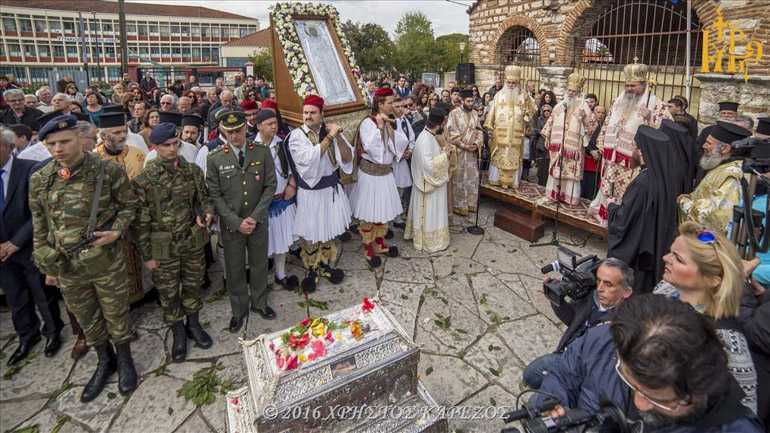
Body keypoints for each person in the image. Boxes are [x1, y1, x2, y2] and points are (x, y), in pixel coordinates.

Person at [534, 294, 763, 432]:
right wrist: (551, 403)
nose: (640, 404)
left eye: (664, 401)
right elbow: (563, 373)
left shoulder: (733, 428)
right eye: (627, 378)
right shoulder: (605, 341)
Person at [29, 114, 139, 402]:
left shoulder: (106, 171)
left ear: (81, 139)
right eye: (51, 144)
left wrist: (115, 232)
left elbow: (129, 207)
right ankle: (105, 360)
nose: (58, 149)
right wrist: (47, 265)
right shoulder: (41, 180)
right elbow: (40, 226)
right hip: (66, 266)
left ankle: (125, 359)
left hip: (105, 260)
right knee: (86, 317)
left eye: (64, 142)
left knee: (116, 312)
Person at [654, 222, 759, 414]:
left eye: (677, 258)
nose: (664, 258)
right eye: (671, 252)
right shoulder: (664, 291)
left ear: (712, 279)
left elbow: (745, 412)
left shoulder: (727, 341)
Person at [132, 122, 214, 362]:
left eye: (175, 144)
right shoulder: (145, 180)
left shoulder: (192, 171)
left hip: (191, 240)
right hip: (163, 246)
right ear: (154, 148)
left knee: (193, 284)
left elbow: (204, 198)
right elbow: (140, 222)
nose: (172, 149)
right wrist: (147, 256)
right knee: (168, 293)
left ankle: (194, 324)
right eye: (166, 145)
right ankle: (178, 331)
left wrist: (206, 212)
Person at [207, 110, 277, 332]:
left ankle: (260, 303)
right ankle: (238, 311)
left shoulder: (262, 153)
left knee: (259, 265)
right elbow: (215, 195)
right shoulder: (215, 158)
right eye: (229, 132)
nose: (235, 136)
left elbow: (270, 186)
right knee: (235, 269)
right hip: (232, 225)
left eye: (238, 131)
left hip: (257, 222)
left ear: (246, 128)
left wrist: (254, 217)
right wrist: (237, 222)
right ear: (222, 132)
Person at [0, 127, 64, 365]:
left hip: (28, 246)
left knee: (41, 292)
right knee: (15, 295)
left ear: (8, 146)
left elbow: (38, 212)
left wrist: (15, 243)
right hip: (2, 254)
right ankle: (27, 335)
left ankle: (52, 331)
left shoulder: (29, 170)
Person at [522, 257, 633, 388]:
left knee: (533, 377)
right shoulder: (593, 297)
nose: (600, 288)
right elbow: (572, 320)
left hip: (582, 372)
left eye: (608, 284)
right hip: (566, 354)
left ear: (626, 292)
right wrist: (556, 299)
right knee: (531, 376)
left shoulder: (622, 325)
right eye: (598, 281)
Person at [286, 95, 353, 292]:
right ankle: (312, 267)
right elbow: (311, 158)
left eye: (313, 112)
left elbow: (347, 158)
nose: (308, 116)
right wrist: (330, 137)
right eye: (305, 112)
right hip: (311, 193)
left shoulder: (328, 131)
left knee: (328, 228)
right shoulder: (297, 136)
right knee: (312, 231)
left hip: (330, 190)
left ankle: (325, 264)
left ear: (321, 114)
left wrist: (338, 136)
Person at [589, 62, 669, 225]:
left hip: (632, 161)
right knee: (607, 187)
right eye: (627, 85)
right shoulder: (618, 101)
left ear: (644, 84)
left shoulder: (655, 104)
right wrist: (602, 143)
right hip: (612, 155)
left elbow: (667, 132)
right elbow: (607, 123)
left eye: (633, 85)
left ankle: (622, 221)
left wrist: (650, 118)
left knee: (626, 192)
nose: (629, 88)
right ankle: (605, 214)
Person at [608, 126, 678, 292]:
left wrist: (612, 207)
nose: (632, 150)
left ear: (642, 151)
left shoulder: (643, 183)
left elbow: (624, 221)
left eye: (635, 146)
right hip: (653, 250)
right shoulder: (664, 176)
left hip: (638, 257)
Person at [350, 87, 407, 267]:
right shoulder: (368, 123)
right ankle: (368, 246)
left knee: (381, 209)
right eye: (389, 103)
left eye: (393, 102)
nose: (392, 106)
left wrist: (389, 126)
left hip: (385, 173)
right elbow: (372, 148)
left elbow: (400, 142)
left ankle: (379, 242)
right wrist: (380, 127)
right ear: (380, 104)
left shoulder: (391, 121)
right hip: (370, 174)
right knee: (369, 211)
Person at [678, 121, 752, 235]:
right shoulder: (722, 166)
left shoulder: (733, 175)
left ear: (725, 148)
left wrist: (684, 202)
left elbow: (714, 217)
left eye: (709, 143)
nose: (703, 146)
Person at [254, 110, 299, 291]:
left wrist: (292, 186)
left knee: (281, 242)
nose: (274, 126)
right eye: (269, 124)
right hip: (261, 204)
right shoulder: (251, 147)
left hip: (282, 200)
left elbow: (292, 168)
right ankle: (261, 280)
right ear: (259, 126)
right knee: (262, 244)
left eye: (275, 123)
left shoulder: (282, 144)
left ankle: (281, 274)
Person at [541, 73, 596, 205]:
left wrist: (584, 119)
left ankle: (569, 198)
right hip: (558, 146)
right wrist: (547, 137)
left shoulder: (584, 107)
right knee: (556, 172)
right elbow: (550, 122)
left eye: (574, 91)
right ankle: (553, 195)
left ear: (579, 92)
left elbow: (592, 127)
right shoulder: (560, 106)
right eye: (569, 90)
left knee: (570, 175)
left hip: (573, 148)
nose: (571, 93)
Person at [405, 108, 453, 253]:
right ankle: (429, 241)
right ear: (441, 123)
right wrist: (446, 154)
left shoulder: (428, 135)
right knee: (430, 213)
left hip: (428, 181)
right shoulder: (426, 139)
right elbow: (429, 165)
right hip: (428, 184)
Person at [484, 65, 538, 189]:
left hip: (516, 134)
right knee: (499, 155)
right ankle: (496, 179)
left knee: (514, 156)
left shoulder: (523, 95)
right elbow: (492, 112)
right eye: (509, 82)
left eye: (514, 82)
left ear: (518, 82)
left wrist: (526, 115)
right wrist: (489, 127)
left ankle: (512, 182)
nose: (511, 85)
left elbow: (533, 109)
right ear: (505, 82)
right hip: (500, 134)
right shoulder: (498, 95)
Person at [447, 89, 483, 217]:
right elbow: (451, 133)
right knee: (459, 179)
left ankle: (470, 204)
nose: (471, 103)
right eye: (468, 101)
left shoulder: (474, 113)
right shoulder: (454, 114)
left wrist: (476, 144)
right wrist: (464, 146)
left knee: (472, 178)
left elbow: (479, 130)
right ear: (462, 100)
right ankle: (459, 205)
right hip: (459, 153)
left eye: (472, 100)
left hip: (472, 154)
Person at [393, 96, 416, 228]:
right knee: (394, 189)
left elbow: (411, 137)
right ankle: (392, 219)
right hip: (395, 161)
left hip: (404, 160)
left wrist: (410, 150)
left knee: (402, 188)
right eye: (397, 106)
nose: (401, 109)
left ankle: (398, 217)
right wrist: (400, 153)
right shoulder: (391, 123)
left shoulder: (404, 121)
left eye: (402, 106)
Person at [582, 104, 605, 199]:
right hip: (587, 158)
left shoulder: (604, 126)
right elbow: (584, 139)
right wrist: (591, 151)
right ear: (593, 113)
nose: (600, 115)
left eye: (603, 113)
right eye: (598, 112)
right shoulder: (587, 124)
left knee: (593, 187)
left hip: (598, 160)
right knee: (585, 185)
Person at [533, 104, 552, 187]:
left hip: (550, 145)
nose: (546, 112)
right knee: (540, 165)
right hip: (541, 145)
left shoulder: (553, 120)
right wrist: (542, 132)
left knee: (547, 165)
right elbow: (535, 129)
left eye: (548, 111)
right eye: (545, 111)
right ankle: (540, 182)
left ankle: (546, 183)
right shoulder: (539, 119)